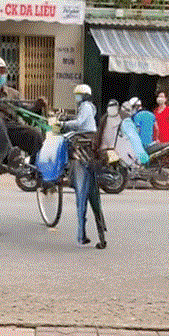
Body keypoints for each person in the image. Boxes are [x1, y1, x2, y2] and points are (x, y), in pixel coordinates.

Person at [62, 83, 106, 249]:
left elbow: (80, 123)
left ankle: (82, 236)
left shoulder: (86, 106)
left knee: (82, 198)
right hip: (88, 156)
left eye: (78, 94)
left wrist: (65, 123)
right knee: (93, 198)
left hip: (83, 154)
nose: (77, 97)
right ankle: (98, 236)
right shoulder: (87, 108)